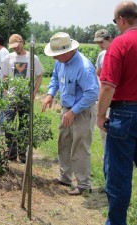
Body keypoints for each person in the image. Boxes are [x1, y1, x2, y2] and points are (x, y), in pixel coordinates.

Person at [97, 1, 137, 224]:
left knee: (119, 177)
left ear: (121, 20)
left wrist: (100, 115)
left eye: (115, 21)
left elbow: (108, 85)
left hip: (125, 113)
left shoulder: (120, 44)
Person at [42, 32, 99, 195]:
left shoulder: (84, 67)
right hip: (67, 110)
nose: (54, 58)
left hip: (82, 111)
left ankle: (83, 184)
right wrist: (50, 94)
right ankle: (65, 178)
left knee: (79, 147)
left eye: (56, 55)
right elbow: (54, 78)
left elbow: (92, 94)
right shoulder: (61, 63)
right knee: (64, 143)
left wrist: (73, 112)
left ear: (66, 52)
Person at [1, 34, 43, 163]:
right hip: (12, 97)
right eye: (12, 46)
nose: (15, 48)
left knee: (24, 125)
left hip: (25, 97)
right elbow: (5, 77)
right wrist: (6, 92)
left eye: (17, 46)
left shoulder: (32, 58)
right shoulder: (9, 58)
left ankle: (22, 152)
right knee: (8, 123)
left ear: (22, 43)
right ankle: (11, 151)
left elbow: (39, 76)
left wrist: (34, 93)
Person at [93, 29, 112, 147]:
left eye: (101, 42)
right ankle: (107, 154)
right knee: (103, 129)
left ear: (109, 39)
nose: (100, 45)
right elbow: (98, 73)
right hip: (103, 94)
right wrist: (100, 84)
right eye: (98, 43)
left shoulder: (119, 52)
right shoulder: (101, 55)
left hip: (113, 95)